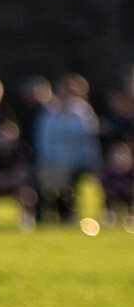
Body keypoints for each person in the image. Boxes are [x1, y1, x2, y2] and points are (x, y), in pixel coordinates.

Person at [33, 77, 101, 224]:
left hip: (78, 161)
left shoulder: (83, 113)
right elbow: (44, 140)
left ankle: (67, 215)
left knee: (69, 183)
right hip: (54, 161)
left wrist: (92, 161)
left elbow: (89, 139)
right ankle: (49, 215)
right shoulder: (50, 113)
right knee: (49, 183)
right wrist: (46, 160)